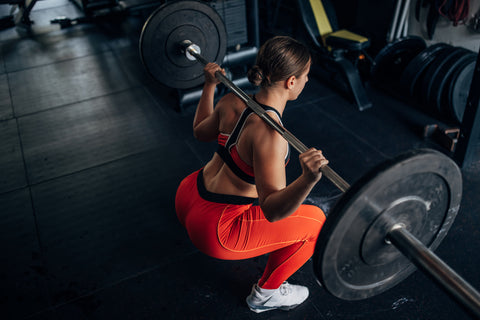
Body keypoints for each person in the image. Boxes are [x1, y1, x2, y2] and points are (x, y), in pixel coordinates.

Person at [175, 36, 329, 313]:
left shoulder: (232, 99)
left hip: (187, 195)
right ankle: (266, 295)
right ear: (291, 81)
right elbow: (272, 210)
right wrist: (307, 179)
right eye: (306, 76)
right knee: (316, 223)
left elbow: (200, 132)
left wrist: (209, 86)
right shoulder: (271, 136)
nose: (307, 81)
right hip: (216, 231)